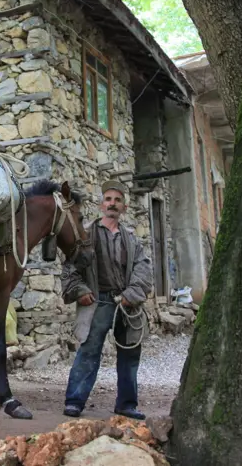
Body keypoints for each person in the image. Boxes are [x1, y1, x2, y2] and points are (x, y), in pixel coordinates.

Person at [60, 179, 153, 419]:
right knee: (89, 350)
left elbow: (143, 270)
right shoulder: (87, 235)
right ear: (102, 205)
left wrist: (130, 296)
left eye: (118, 200)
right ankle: (75, 401)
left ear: (124, 207)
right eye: (108, 199)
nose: (112, 204)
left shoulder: (131, 239)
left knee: (130, 352)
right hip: (97, 301)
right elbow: (70, 267)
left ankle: (126, 404)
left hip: (125, 303)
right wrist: (80, 291)